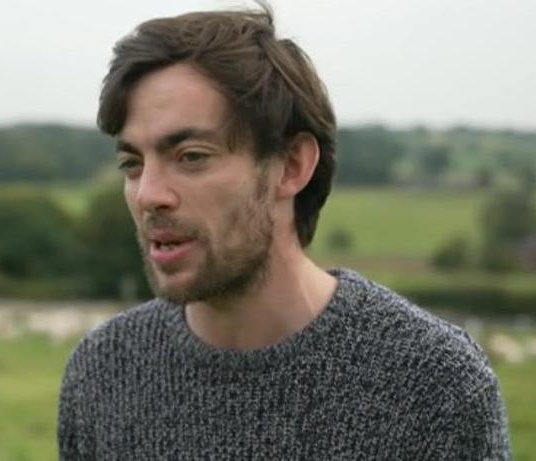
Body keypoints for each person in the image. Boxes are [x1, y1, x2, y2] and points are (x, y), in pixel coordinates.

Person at [58, 4, 511, 460]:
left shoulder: (435, 385)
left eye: (191, 156)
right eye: (132, 164)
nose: (147, 195)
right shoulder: (104, 371)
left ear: (292, 166)